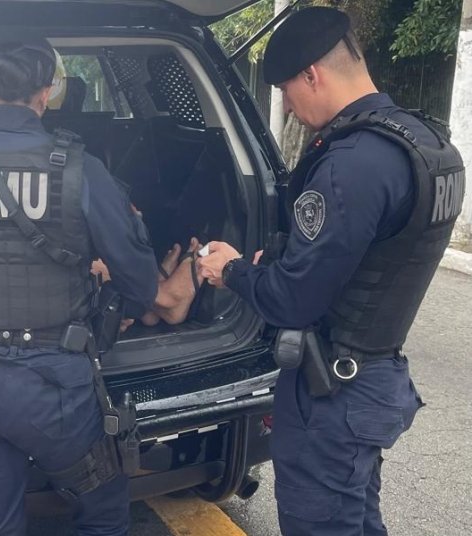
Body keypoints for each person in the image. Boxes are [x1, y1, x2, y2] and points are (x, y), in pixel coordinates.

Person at [0, 33, 198, 535]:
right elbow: (138, 286)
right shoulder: (82, 171)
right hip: (56, 386)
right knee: (104, 514)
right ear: (47, 94)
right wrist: (101, 305)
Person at [197, 7, 465, 536]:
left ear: (311, 75)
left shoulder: (351, 163)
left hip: (333, 395)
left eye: (286, 92)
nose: (291, 110)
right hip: (373, 375)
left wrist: (232, 271)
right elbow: (373, 258)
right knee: (358, 521)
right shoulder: (427, 144)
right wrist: (285, 264)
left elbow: (293, 301)